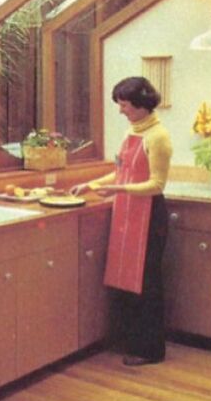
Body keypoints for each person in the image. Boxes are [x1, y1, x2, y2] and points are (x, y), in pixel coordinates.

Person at [72, 76, 172, 366]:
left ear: (141, 105)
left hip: (149, 214)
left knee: (147, 282)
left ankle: (151, 350)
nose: (121, 111)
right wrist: (90, 185)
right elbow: (121, 172)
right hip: (127, 213)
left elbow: (156, 185)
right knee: (127, 279)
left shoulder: (158, 137)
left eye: (125, 105)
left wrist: (117, 190)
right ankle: (132, 342)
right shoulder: (132, 133)